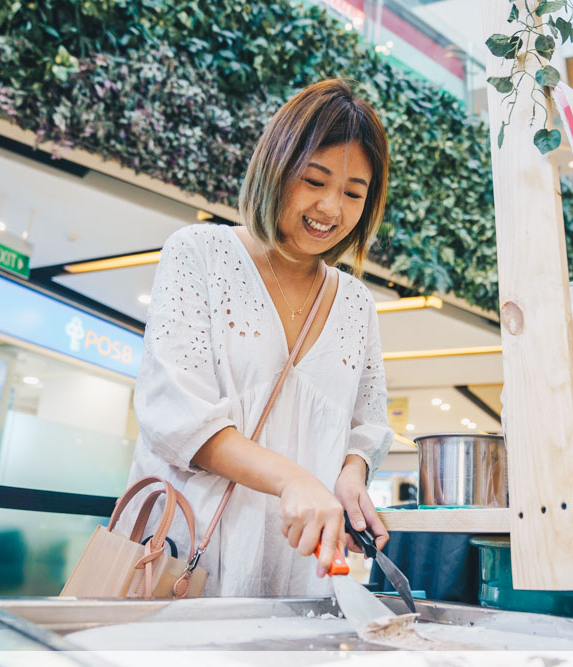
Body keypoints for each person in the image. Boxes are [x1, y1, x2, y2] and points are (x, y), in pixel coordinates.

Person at [124, 79, 393, 597]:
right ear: (277, 167)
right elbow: (173, 412)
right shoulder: (198, 253)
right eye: (314, 181)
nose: (332, 209)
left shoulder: (357, 303)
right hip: (185, 560)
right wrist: (293, 479)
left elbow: (367, 426)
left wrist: (351, 477)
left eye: (353, 193)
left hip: (298, 569)